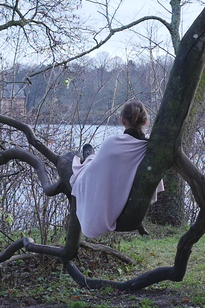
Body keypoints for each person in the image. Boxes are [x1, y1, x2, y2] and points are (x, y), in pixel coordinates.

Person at [70, 101, 164, 238]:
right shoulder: (149, 149)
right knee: (94, 163)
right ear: (145, 122)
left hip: (114, 206)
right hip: (130, 202)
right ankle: (90, 156)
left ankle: (89, 156)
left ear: (122, 121)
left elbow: (93, 175)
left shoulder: (112, 143)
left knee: (85, 170)